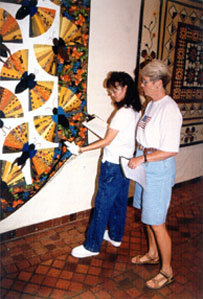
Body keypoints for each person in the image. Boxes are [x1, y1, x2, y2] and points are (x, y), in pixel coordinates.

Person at [69, 71, 142, 258]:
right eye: (110, 90)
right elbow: (118, 137)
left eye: (115, 90)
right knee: (118, 202)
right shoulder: (135, 110)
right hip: (124, 164)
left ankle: (92, 246)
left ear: (126, 88)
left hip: (112, 165)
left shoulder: (122, 113)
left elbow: (107, 141)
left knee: (102, 204)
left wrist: (80, 150)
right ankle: (116, 236)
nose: (112, 94)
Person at [128, 59, 182, 290]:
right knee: (147, 216)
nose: (142, 86)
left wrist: (143, 158)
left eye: (146, 82)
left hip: (157, 168)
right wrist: (138, 155)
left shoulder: (170, 109)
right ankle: (152, 254)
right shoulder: (150, 104)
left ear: (159, 83)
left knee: (157, 222)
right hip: (144, 164)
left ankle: (167, 271)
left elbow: (170, 149)